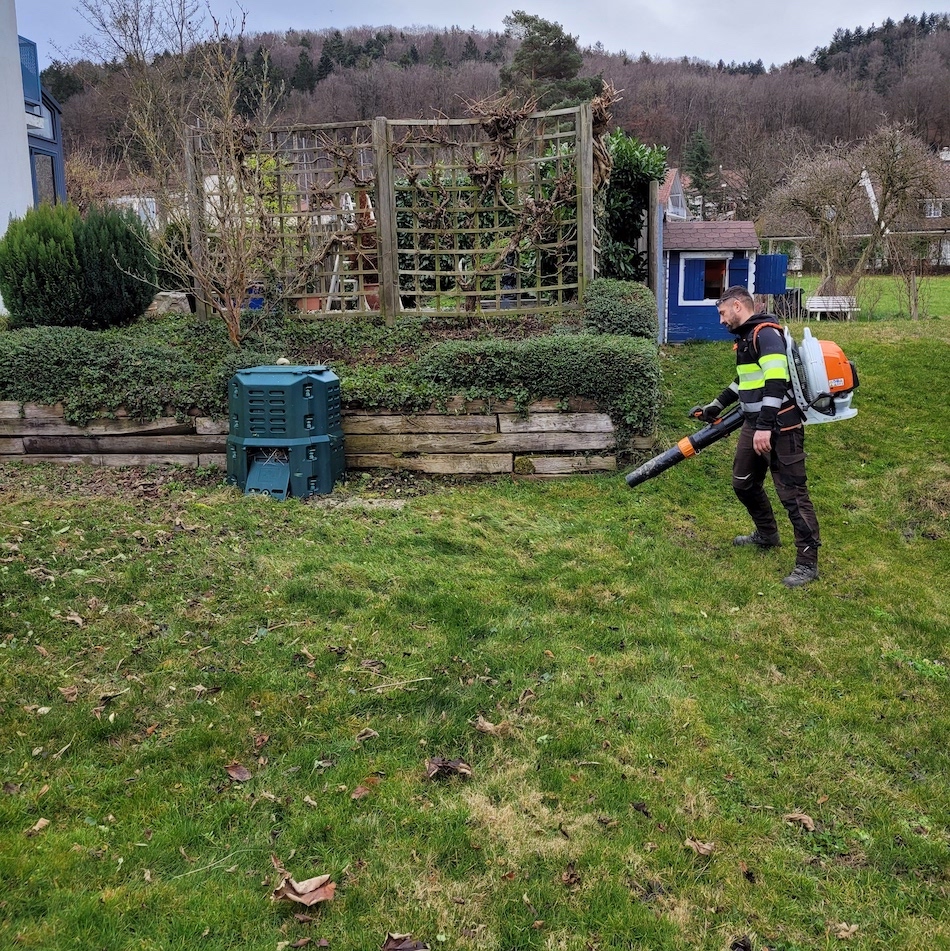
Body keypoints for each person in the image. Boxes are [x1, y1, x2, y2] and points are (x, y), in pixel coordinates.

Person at [700, 285, 820, 588]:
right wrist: (716, 405)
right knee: (743, 482)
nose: (721, 320)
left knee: (793, 495)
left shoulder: (766, 334)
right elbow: (746, 381)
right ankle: (767, 534)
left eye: (722, 313)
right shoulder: (747, 338)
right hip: (756, 423)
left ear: (738, 306)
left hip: (781, 426)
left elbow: (776, 381)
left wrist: (765, 426)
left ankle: (807, 563)